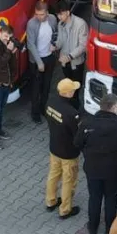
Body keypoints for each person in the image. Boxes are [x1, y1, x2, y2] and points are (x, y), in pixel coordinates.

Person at [77, 93, 117, 234]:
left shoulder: (86, 123)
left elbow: (77, 143)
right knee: (111, 198)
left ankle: (93, 227)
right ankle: (110, 228)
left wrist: (89, 153)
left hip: (92, 169)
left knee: (94, 197)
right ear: (114, 107)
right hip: (114, 171)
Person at [44, 79, 82, 219]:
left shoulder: (50, 102)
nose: (74, 91)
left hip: (54, 147)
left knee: (53, 175)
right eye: (73, 89)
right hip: (68, 152)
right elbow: (77, 135)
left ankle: (51, 201)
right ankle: (65, 209)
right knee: (68, 180)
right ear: (68, 93)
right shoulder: (72, 113)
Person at [25, 1, 58, 123]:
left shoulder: (52, 19)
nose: (39, 17)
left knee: (47, 86)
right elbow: (31, 44)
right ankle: (35, 113)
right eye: (37, 14)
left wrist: (54, 45)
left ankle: (43, 108)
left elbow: (55, 33)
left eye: (42, 14)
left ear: (47, 13)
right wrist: (39, 62)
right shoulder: (31, 24)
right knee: (36, 88)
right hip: (36, 60)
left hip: (49, 57)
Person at [55, 0, 88, 102]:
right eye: (57, 15)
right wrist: (55, 46)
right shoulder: (60, 24)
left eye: (61, 14)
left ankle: (75, 107)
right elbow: (60, 40)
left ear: (68, 12)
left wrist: (69, 57)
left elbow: (83, 45)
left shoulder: (81, 24)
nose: (59, 17)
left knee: (76, 87)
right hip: (65, 62)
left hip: (76, 62)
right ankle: (69, 106)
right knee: (68, 86)